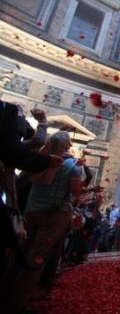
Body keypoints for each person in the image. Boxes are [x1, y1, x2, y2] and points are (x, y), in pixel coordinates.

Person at [2, 131, 84, 313]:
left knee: (19, 252)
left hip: (31, 211)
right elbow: (76, 192)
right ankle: (17, 303)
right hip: (55, 215)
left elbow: (21, 182)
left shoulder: (38, 160)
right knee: (36, 257)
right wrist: (84, 187)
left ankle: (4, 294)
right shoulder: (72, 164)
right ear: (68, 146)